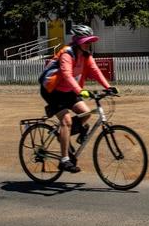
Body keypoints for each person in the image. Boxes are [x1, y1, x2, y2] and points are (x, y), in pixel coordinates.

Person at [39, 25, 118, 173]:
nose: (89, 44)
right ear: (77, 42)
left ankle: (64, 135)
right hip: (52, 91)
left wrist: (108, 87)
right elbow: (67, 75)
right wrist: (80, 91)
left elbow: (95, 72)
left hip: (68, 91)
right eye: (86, 41)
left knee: (86, 113)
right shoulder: (67, 54)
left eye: (90, 41)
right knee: (67, 121)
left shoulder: (86, 55)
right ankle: (64, 160)